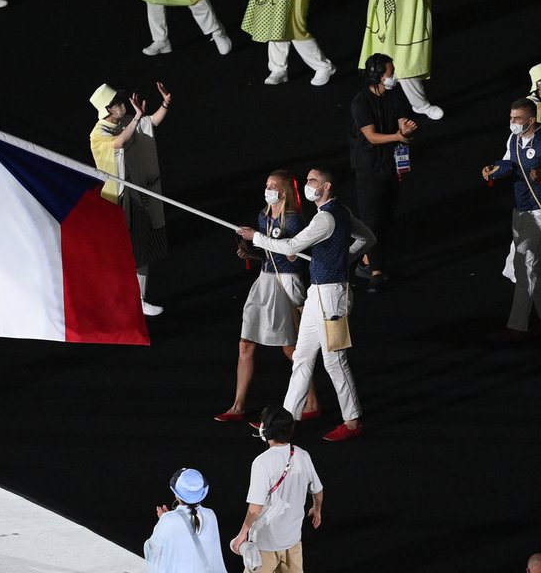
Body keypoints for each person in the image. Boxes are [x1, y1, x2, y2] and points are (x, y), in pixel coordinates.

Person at [238, 169, 374, 441]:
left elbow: (290, 246)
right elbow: (368, 239)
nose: (307, 185)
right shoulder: (340, 211)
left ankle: (352, 421)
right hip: (318, 295)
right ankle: (285, 421)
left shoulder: (325, 218)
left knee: (335, 361)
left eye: (312, 181)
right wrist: (343, 261)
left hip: (332, 298)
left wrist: (255, 237)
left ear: (326, 187)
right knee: (301, 357)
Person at [220, 171, 321, 423]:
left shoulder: (294, 220)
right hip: (264, 281)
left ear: (284, 190)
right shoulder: (263, 217)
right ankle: (238, 406)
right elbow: (269, 255)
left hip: (286, 283)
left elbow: (290, 255)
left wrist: (257, 238)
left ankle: (311, 402)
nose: (268, 189)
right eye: (267, 185)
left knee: (291, 349)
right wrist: (251, 252)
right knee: (246, 343)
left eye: (273, 186)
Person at [482, 99, 541, 341]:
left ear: (531, 120)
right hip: (520, 209)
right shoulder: (515, 140)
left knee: (524, 265)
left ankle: (517, 326)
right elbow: (509, 161)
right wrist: (493, 169)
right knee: (535, 268)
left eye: (517, 119)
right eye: (511, 118)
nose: (513, 123)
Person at [88, 82, 172, 317]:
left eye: (120, 101)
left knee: (142, 247)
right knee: (118, 253)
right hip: (117, 201)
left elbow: (150, 124)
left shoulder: (126, 122)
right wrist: (136, 117)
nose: (121, 106)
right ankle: (110, 298)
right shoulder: (98, 133)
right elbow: (118, 144)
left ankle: (140, 299)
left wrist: (165, 103)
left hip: (137, 195)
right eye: (115, 103)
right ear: (106, 110)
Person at [349, 54, 418, 293]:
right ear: (378, 75)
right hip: (368, 167)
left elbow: (402, 124)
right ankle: (376, 272)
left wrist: (406, 132)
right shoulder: (361, 102)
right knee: (371, 219)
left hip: (390, 164)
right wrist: (399, 137)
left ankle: (367, 261)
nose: (393, 75)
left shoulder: (395, 96)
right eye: (390, 71)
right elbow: (371, 136)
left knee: (386, 217)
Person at [230, 407, 324, 572]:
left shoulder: (262, 462)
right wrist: (317, 509)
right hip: (293, 541)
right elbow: (317, 490)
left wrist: (242, 534)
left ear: (266, 430)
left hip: (265, 542)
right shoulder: (303, 455)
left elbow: (255, 507)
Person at [144, 468, 226, 572]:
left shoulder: (168, 520)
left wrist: (163, 521)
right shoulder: (210, 515)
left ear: (177, 494)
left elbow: (153, 550)